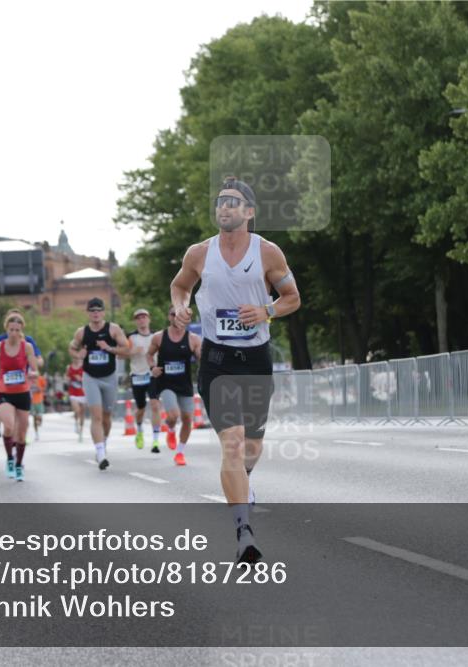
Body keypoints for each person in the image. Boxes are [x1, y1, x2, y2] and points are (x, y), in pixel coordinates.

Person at [170, 176, 300, 563]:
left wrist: (266, 311)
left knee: (252, 447)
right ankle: (244, 531)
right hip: (217, 360)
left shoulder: (268, 253)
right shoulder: (199, 253)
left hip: (256, 358)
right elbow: (180, 286)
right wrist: (180, 306)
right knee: (233, 442)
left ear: (249, 212)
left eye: (232, 201)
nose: (224, 207)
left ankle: (242, 480)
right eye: (220, 201)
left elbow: (293, 297)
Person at [69, 297, 131, 469]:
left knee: (106, 416)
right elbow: (72, 347)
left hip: (109, 377)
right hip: (91, 377)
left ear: (103, 312)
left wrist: (109, 348)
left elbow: (127, 349)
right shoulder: (82, 332)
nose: (95, 313)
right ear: (88, 313)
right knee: (96, 416)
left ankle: (103, 442)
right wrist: (78, 354)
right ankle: (101, 453)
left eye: (98, 310)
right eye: (92, 310)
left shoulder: (113, 329)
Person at [0, 311, 40, 481]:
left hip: (23, 393)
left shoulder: (27, 347)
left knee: (22, 435)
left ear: (21, 330)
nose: (14, 333)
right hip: (5, 392)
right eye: (11, 330)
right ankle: (10, 458)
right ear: (6, 329)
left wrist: (33, 374)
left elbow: (35, 368)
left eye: (17, 330)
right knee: (9, 426)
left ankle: (18, 465)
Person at [147, 307, 203, 466]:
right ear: (169, 317)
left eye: (181, 315)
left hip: (184, 384)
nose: (177, 318)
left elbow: (201, 358)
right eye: (173, 314)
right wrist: (152, 368)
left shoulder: (193, 339)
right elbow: (149, 355)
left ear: (187, 319)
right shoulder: (159, 337)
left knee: (187, 419)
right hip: (166, 383)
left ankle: (180, 452)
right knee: (173, 415)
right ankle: (171, 430)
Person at [126, 308, 162, 451]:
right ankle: (140, 430)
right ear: (135, 321)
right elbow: (120, 354)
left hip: (152, 374)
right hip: (137, 376)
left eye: (144, 317)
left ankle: (155, 440)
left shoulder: (156, 336)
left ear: (149, 319)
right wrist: (132, 351)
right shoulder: (131, 337)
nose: (142, 320)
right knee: (140, 408)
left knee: (155, 405)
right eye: (138, 318)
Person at [66, 353, 87, 441]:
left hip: (83, 393)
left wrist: (81, 379)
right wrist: (68, 379)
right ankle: (76, 423)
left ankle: (81, 433)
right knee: (77, 410)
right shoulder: (69, 367)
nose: (76, 359)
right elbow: (67, 378)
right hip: (73, 393)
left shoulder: (84, 366)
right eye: (74, 357)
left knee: (82, 413)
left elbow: (88, 378)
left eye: (77, 357)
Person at [30, 373, 47, 442]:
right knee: (34, 419)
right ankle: (36, 434)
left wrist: (40, 389)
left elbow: (44, 388)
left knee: (39, 418)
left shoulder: (40, 379)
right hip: (32, 402)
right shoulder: (28, 380)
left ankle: (39, 421)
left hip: (39, 401)